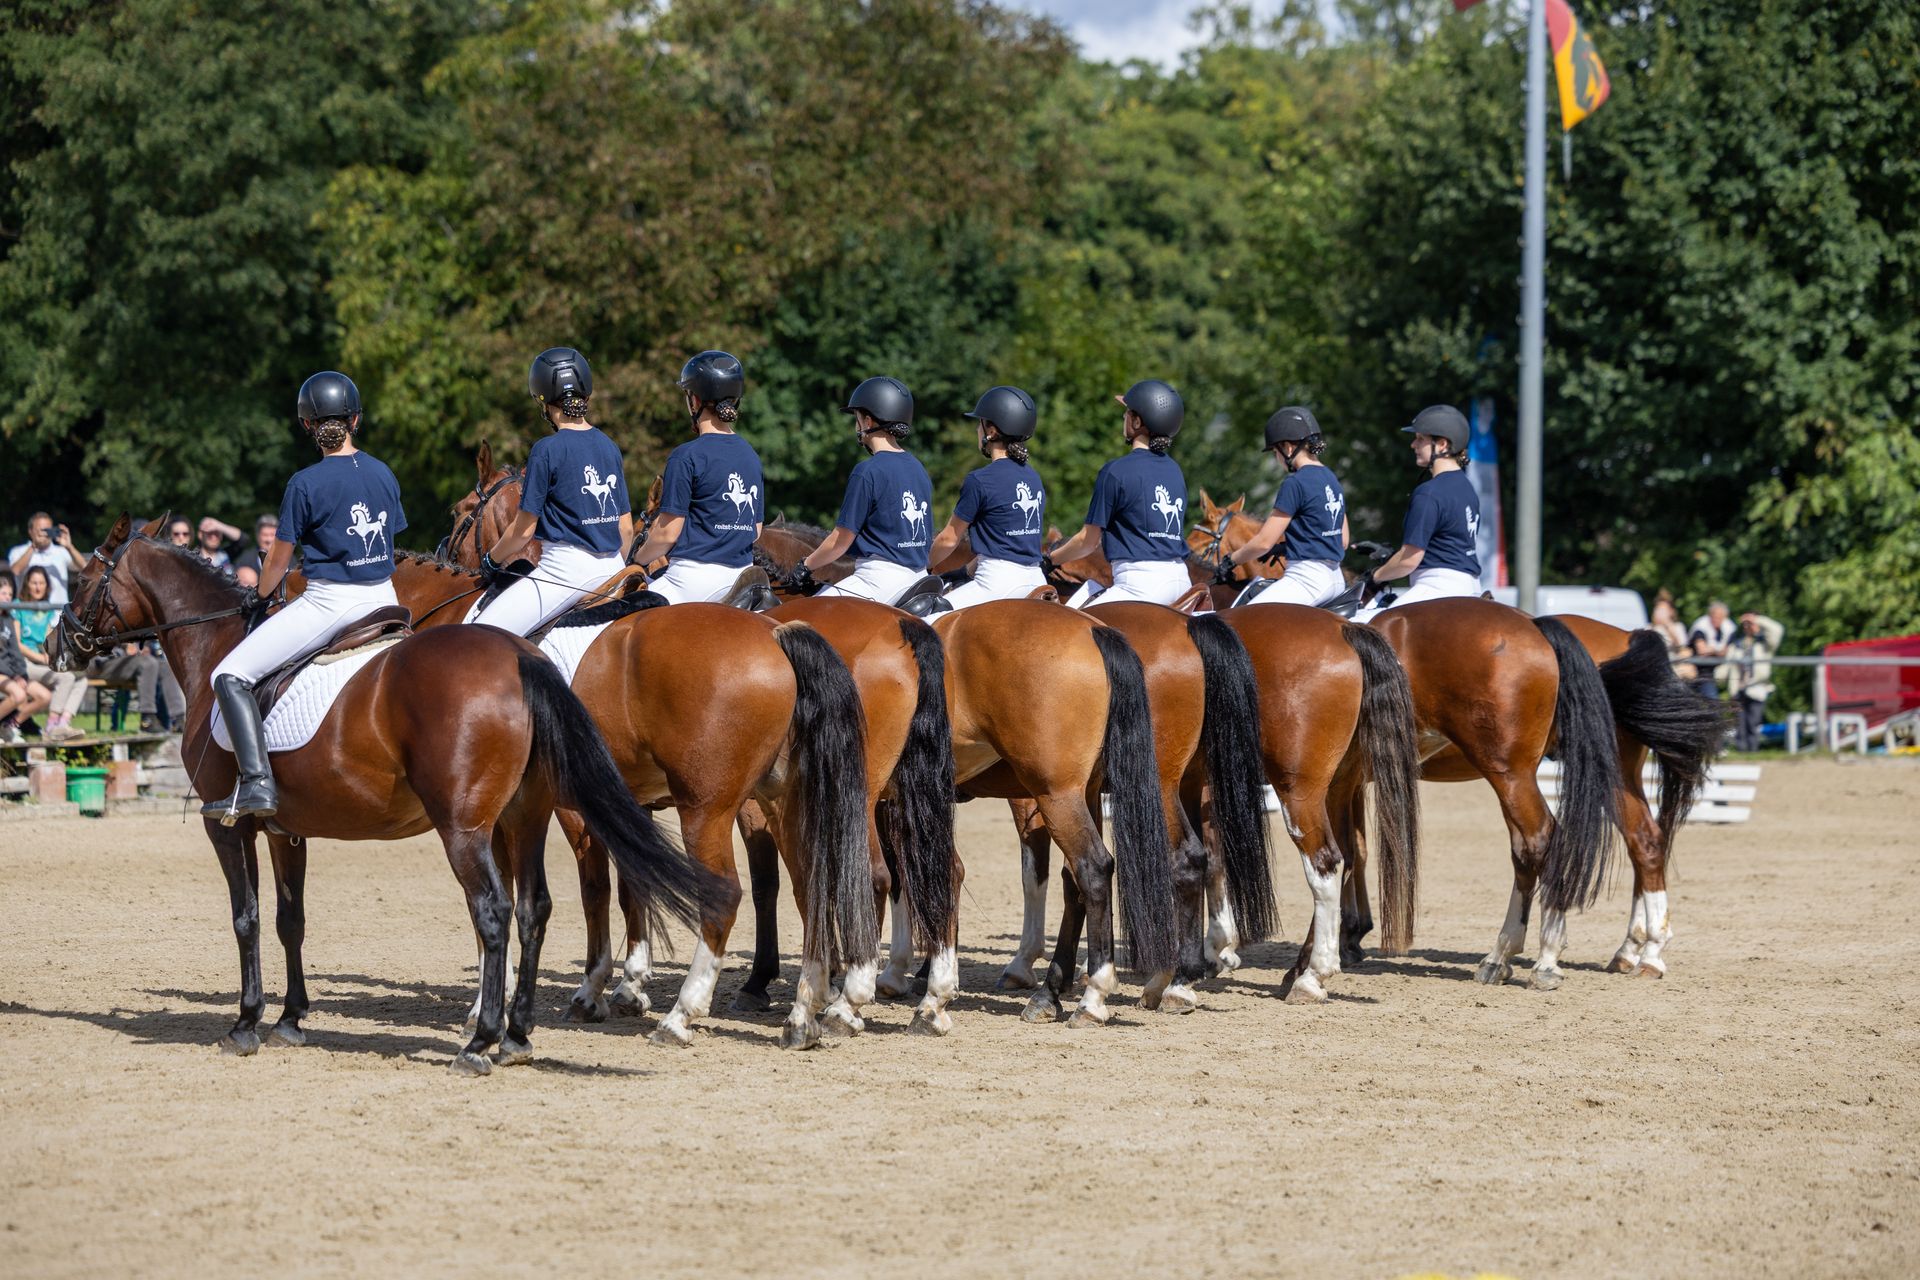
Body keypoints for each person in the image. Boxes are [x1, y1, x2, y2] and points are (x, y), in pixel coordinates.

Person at [203, 371, 407, 820]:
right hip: (386, 597)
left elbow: (277, 561)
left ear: (307, 426)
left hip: (331, 604)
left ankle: (256, 784)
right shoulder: (384, 473)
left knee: (229, 675)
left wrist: (260, 595)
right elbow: (389, 539)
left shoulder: (304, 483)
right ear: (356, 419)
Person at [469, 347, 633, 633]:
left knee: (478, 635)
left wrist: (490, 560)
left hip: (567, 572)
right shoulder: (610, 446)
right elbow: (627, 530)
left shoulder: (546, 449)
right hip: (615, 568)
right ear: (586, 392)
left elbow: (523, 531)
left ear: (543, 400)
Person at [626, 351, 764, 604]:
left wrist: (636, 560)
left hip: (692, 581)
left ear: (695, 400)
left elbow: (667, 535)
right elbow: (755, 530)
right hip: (745, 578)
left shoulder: (686, 456)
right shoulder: (751, 456)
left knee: (604, 625)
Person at [1046, 380, 1193, 608]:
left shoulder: (1116, 470)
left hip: (1140, 584)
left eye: (1127, 413)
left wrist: (1051, 559)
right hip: (1182, 582)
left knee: (1071, 628)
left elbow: (1088, 542)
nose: (1124, 418)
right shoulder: (1175, 470)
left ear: (1136, 421)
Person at [788, 377, 935, 604]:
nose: (856, 427)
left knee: (808, 614)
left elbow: (840, 541)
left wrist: (805, 566)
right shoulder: (918, 468)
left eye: (856, 419)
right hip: (919, 578)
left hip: (879, 580)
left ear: (867, 422)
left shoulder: (867, 471)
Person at [1214, 406, 1350, 606]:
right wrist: (1288, 547)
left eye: (1274, 452)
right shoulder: (1331, 478)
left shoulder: (1295, 482)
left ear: (1287, 447)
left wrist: (1231, 560)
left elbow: (1263, 542)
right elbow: (1343, 540)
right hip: (1336, 579)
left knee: (1243, 619)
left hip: (1307, 580)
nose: (1276, 459)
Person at [926, 385, 1048, 610]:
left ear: (991, 431)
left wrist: (922, 568)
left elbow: (949, 539)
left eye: (979, 424)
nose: (976, 430)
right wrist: (963, 571)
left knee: (925, 621)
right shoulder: (1034, 477)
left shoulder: (980, 479)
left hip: (997, 584)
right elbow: (1009, 543)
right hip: (1037, 581)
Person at [1354, 404, 1482, 617]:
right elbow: (1445, 546)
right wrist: (1392, 556)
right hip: (1471, 589)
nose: (1413, 444)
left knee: (1363, 627)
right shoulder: (1467, 489)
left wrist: (1375, 576)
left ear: (1442, 444)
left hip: (1437, 590)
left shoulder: (1429, 492)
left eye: (1421, 439)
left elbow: (1410, 560)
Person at [13, 565, 88, 741]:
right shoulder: (18, 606)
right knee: (66, 678)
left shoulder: (45, 609)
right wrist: (41, 657)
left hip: (41, 660)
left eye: (42, 583)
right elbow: (17, 644)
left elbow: (47, 637)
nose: (38, 587)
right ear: (27, 585)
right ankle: (51, 727)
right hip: (24, 662)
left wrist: (52, 654)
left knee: (82, 679)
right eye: (34, 583)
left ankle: (63, 722)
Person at [0, 574, 52, 743]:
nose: (7, 597)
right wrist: (13, 676)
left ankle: (8, 727)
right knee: (19, 695)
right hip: (3, 672)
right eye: (3, 593)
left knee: (44, 696)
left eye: (9, 594)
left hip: (10, 673)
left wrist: (21, 675)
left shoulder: (8, 619)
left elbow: (15, 651)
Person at [1726, 611, 1784, 751]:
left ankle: (1753, 751)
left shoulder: (1765, 644)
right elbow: (1729, 666)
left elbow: (1778, 629)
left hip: (1757, 688)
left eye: (1750, 624)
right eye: (1746, 624)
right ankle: (1742, 752)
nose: (1748, 627)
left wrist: (1757, 619)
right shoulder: (1737, 644)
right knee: (1739, 724)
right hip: (1739, 688)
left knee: (1753, 723)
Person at [8, 511, 84, 605]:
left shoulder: (62, 552)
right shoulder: (18, 551)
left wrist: (69, 547)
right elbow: (15, 570)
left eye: (47, 530)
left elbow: (84, 568)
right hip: (26, 615)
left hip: (58, 615)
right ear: (30, 531)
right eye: (40, 530)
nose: (44, 534)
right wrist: (33, 546)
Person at [1688, 600, 1736, 701]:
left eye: (1720, 617)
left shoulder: (1729, 627)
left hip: (1715, 670)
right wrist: (1717, 651)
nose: (1717, 620)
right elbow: (1702, 651)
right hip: (1697, 669)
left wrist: (1712, 650)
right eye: (1715, 616)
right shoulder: (1701, 625)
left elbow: (1725, 651)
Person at [1650, 592, 1697, 682]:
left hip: (1675, 664)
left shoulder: (1678, 627)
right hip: (1657, 666)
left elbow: (1682, 647)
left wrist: (1667, 626)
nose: (1660, 613)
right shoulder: (1650, 628)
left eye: (1663, 610)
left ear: (1671, 611)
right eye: (1658, 609)